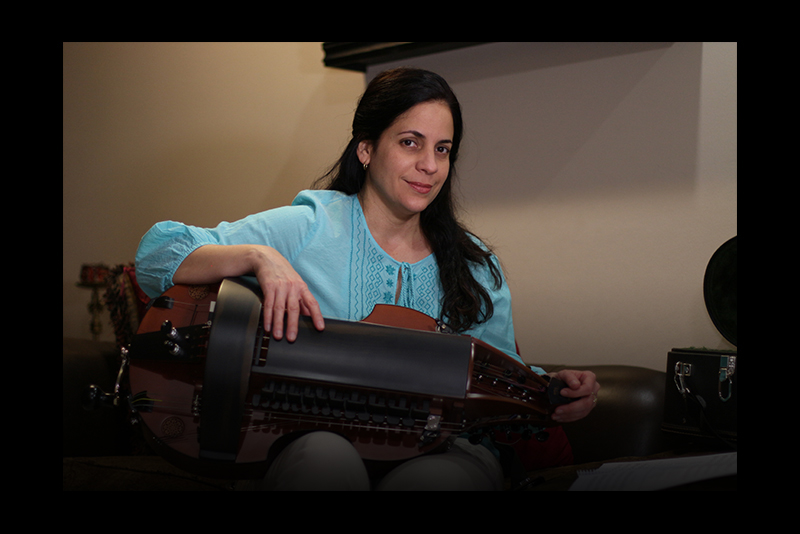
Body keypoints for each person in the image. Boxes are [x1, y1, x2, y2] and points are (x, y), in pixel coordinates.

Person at [135, 67, 599, 490]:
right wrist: (260, 257)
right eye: (410, 143)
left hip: (445, 447)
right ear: (366, 148)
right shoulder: (310, 226)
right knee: (326, 460)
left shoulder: (474, 264)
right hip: (312, 435)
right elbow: (156, 255)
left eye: (442, 149)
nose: (430, 165)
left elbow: (498, 372)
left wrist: (556, 390)